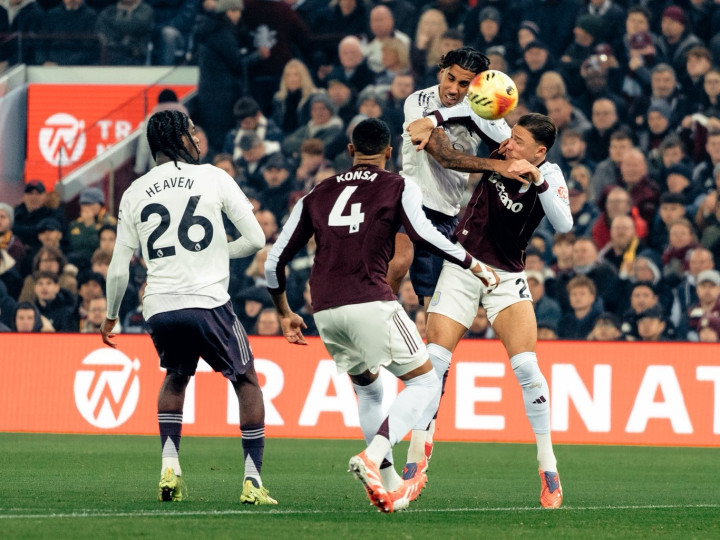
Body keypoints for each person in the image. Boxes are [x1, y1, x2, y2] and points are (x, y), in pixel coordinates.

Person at [264, 118, 496, 513]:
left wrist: (285, 312)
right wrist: (472, 263)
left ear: (350, 151)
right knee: (425, 383)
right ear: (389, 152)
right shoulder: (398, 185)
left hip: (325, 311)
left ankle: (391, 485)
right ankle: (373, 456)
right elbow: (424, 234)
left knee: (369, 391)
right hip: (370, 300)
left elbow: (273, 263)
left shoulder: (316, 193)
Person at [100, 110, 275, 505]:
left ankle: (170, 466)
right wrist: (213, 254)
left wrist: (111, 316)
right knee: (246, 380)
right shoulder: (214, 176)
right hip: (208, 300)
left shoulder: (134, 191)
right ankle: (252, 481)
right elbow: (254, 239)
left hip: (160, 306)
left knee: (176, 375)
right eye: (192, 132)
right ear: (179, 138)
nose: (197, 139)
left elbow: (118, 268)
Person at [404, 112, 573, 508]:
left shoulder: (552, 175)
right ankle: (416, 457)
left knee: (527, 368)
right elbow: (471, 111)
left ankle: (548, 465)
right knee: (434, 359)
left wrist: (537, 179)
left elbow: (564, 224)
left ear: (539, 152)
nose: (509, 144)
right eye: (511, 137)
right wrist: (434, 118)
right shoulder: (502, 145)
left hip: (506, 277)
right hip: (462, 265)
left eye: (519, 142)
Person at [386, 46, 520, 298]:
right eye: (450, 78)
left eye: (464, 84)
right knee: (398, 262)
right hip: (409, 200)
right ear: (442, 71)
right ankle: (381, 318)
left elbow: (512, 152)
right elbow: (445, 157)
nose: (453, 89)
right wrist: (497, 165)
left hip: (446, 214)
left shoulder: (481, 110)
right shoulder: (420, 101)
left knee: (435, 300)